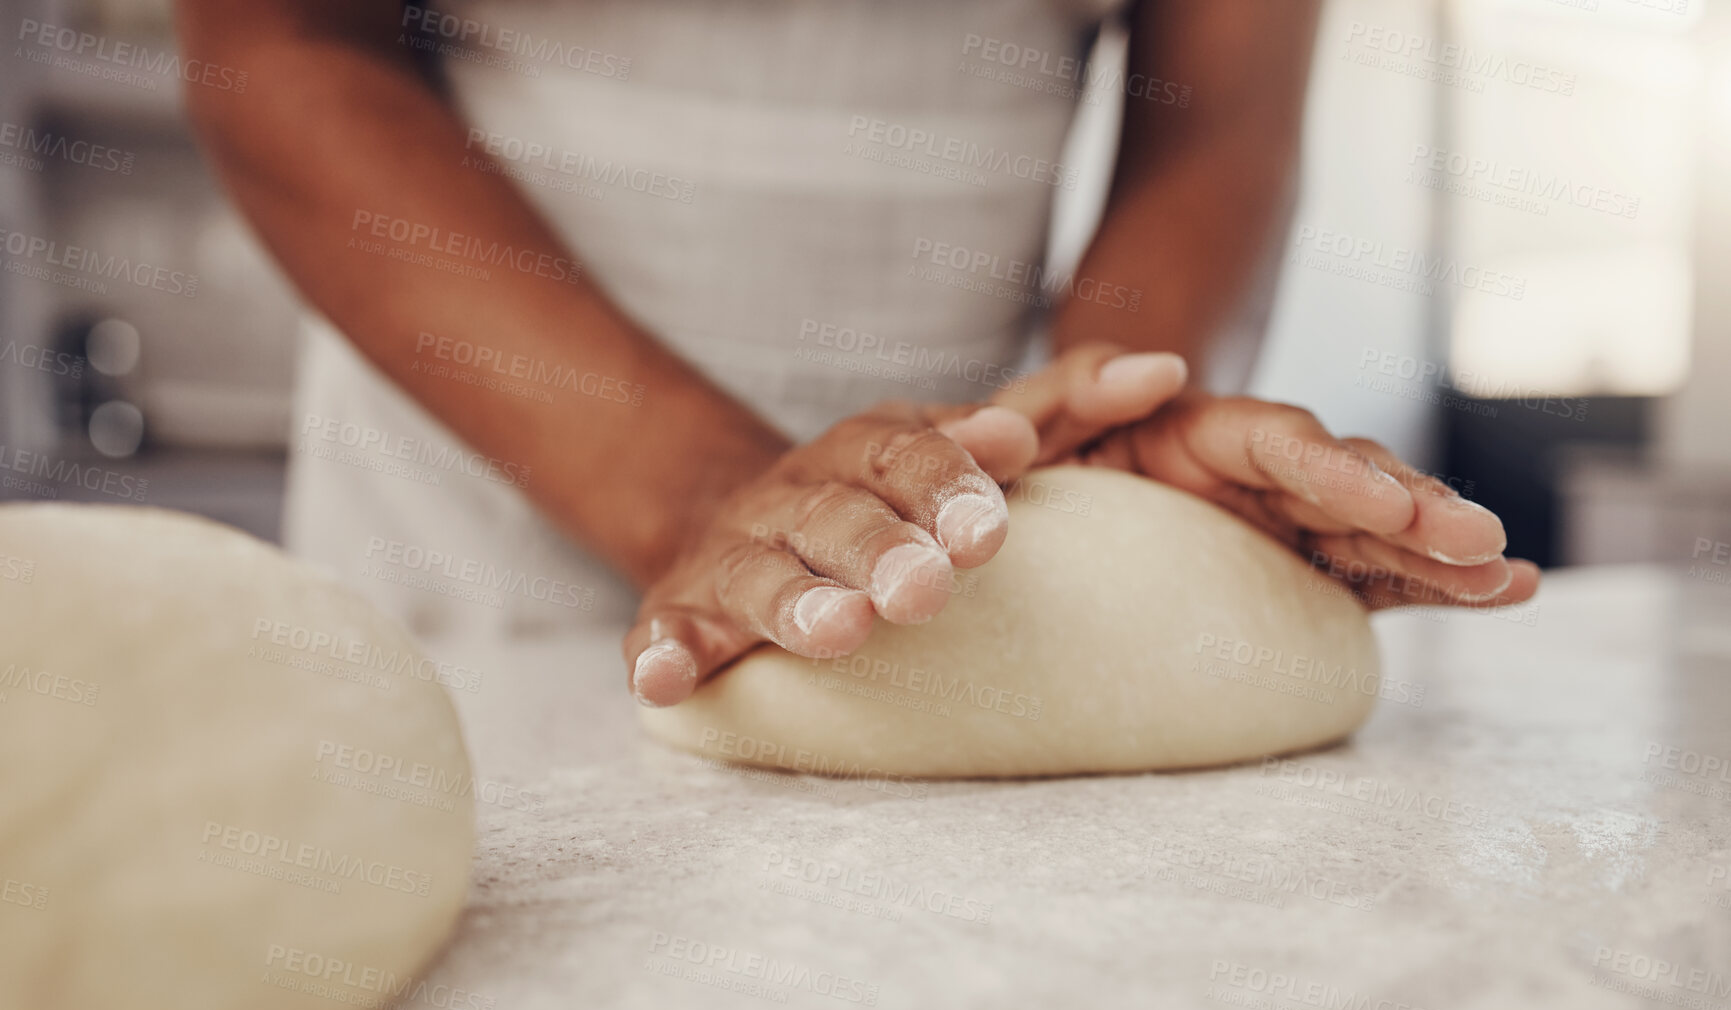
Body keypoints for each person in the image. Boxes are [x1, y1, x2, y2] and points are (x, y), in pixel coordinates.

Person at [176, 0, 1538, 707]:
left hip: (967, 566)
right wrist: (706, 492)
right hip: (468, 558)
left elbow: (1216, 116)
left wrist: (1117, 423)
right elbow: (278, 44)